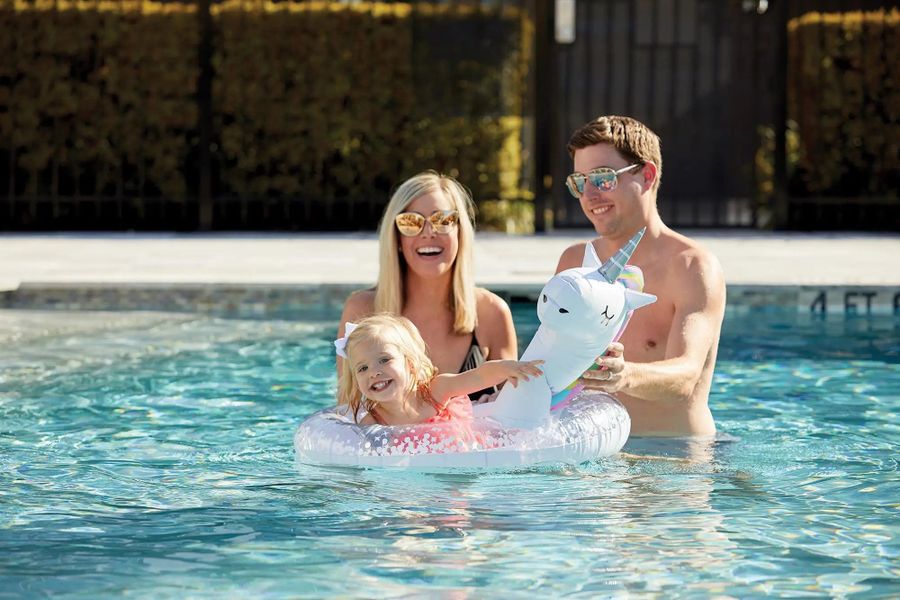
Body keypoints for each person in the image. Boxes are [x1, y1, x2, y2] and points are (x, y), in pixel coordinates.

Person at [555, 115, 726, 437]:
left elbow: (686, 378)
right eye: (579, 182)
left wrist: (624, 376)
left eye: (603, 178)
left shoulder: (691, 267)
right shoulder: (574, 262)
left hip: (673, 457)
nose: (589, 195)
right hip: (591, 452)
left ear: (647, 176)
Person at [338, 171, 518, 401]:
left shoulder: (492, 313)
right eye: (411, 222)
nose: (428, 233)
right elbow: (348, 408)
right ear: (397, 238)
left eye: (443, 220)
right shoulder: (361, 311)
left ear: (460, 231)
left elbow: (518, 410)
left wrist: (494, 407)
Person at [335, 314, 543, 427]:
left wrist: (507, 368)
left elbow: (478, 376)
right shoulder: (372, 420)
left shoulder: (435, 391)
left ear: (410, 363)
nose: (374, 372)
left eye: (384, 360)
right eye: (363, 368)